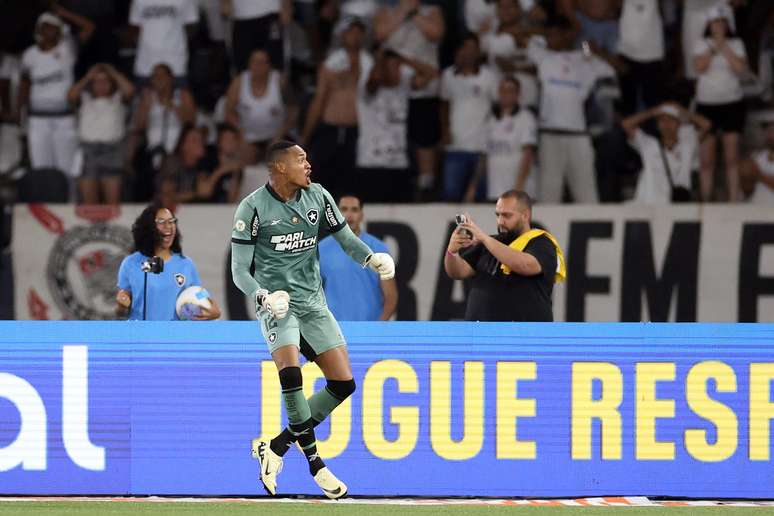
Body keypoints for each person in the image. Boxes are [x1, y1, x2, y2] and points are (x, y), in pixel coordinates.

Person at [230, 140, 395, 498]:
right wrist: (263, 296)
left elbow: (347, 239)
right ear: (279, 167)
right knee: (291, 375)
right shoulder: (253, 208)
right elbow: (239, 271)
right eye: (300, 159)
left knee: (343, 384)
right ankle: (316, 465)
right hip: (279, 305)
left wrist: (371, 259)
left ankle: (275, 446)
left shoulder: (318, 196)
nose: (308, 164)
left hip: (313, 305)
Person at [526, 15, 615, 203]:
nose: (552, 39)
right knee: (549, 192)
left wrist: (588, 48)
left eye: (557, 35)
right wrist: (548, 35)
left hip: (579, 135)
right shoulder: (544, 57)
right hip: (550, 133)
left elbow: (611, 71)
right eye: (549, 35)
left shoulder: (583, 60)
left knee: (587, 192)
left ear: (568, 35)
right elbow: (531, 41)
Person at [444, 190, 565, 321]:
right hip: (480, 335)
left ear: (525, 215)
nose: (500, 222)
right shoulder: (490, 242)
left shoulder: (541, 242)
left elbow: (526, 265)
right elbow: (458, 272)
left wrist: (485, 238)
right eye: (498, 215)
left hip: (524, 335)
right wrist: (452, 252)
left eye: (507, 216)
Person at [18, 10, 94, 190]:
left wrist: (61, 12)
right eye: (46, 27)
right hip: (37, 119)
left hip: (64, 118)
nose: (49, 31)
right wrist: (19, 111)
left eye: (54, 27)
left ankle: (67, 206)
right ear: (39, 30)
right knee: (41, 168)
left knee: (67, 168)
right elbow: (24, 84)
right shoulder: (30, 54)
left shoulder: (67, 48)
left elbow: (89, 27)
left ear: (60, 30)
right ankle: (43, 206)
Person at [300, 19, 370, 197]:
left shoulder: (369, 63)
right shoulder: (331, 63)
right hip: (329, 130)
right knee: (322, 182)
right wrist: (306, 136)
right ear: (342, 35)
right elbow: (319, 99)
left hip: (357, 131)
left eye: (358, 32)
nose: (355, 37)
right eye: (351, 32)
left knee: (352, 183)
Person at [117, 203, 221, 320]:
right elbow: (121, 307)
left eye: (171, 221)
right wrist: (121, 304)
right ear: (148, 227)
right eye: (161, 222)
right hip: (140, 335)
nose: (168, 226)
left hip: (175, 336)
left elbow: (199, 294)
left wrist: (214, 310)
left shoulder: (185, 264)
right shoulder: (131, 263)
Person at [693, 5, 749, 202]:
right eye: (716, 22)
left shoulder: (736, 44)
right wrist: (713, 46)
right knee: (706, 159)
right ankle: (707, 200)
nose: (720, 25)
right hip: (707, 104)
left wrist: (723, 46)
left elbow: (740, 69)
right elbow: (699, 67)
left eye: (723, 22)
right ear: (709, 24)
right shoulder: (701, 43)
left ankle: (734, 199)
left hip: (731, 102)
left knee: (731, 158)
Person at [319, 194, 398, 320]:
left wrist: (380, 327)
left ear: (361, 215)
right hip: (333, 332)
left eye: (354, 210)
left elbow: (391, 295)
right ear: (335, 214)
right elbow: (311, 294)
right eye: (344, 209)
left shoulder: (378, 249)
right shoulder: (321, 249)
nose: (349, 215)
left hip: (369, 331)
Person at [440, 33, 498, 202]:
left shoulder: (489, 76)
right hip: (455, 146)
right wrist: (445, 131)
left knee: (480, 196)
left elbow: (496, 107)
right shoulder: (448, 75)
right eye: (466, 47)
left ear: (478, 51)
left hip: (481, 146)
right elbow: (443, 105)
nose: (469, 52)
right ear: (460, 51)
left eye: (473, 48)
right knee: (451, 195)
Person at [68, 64, 135, 205]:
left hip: (112, 151)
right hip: (88, 152)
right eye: (97, 81)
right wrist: (88, 76)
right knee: (89, 205)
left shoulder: (118, 99)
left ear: (112, 84)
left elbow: (130, 90)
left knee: (112, 205)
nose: (101, 85)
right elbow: (71, 95)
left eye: (105, 81)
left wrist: (112, 71)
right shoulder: (84, 99)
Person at [621, 102, 711, 204]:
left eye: (671, 119)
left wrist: (683, 111)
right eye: (662, 120)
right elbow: (626, 124)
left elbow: (706, 124)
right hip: (649, 204)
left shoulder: (688, 145)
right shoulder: (648, 144)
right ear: (657, 125)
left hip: (677, 206)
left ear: (679, 124)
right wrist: (652, 112)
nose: (667, 124)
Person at [129, 0, 199, 81]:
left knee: (179, 92)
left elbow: (191, 25)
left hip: (175, 61)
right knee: (145, 92)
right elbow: (135, 26)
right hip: (146, 62)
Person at [741, 116, 774, 204]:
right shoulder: (756, 157)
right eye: (768, 130)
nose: (770, 134)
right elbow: (746, 189)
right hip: (755, 209)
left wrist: (759, 175)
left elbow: (757, 174)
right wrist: (746, 176)